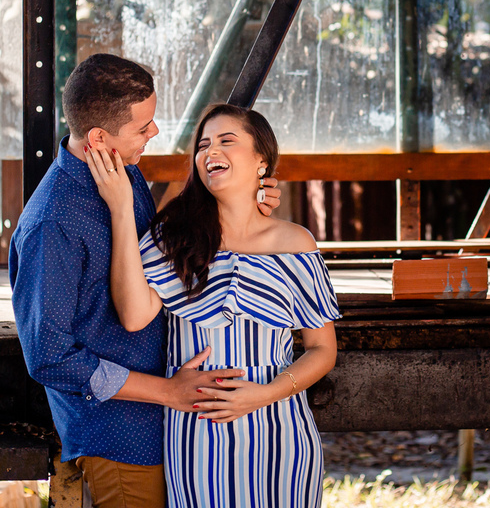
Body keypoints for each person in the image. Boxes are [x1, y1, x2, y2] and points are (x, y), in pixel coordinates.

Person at [9, 55, 281, 508]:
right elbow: (48, 356)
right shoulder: (50, 224)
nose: (153, 133)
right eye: (144, 126)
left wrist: (244, 202)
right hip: (117, 439)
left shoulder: (121, 170)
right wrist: (167, 392)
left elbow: (160, 249)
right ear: (98, 138)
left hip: (164, 424)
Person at [85, 103, 340, 508]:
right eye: (203, 145)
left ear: (261, 160)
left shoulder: (296, 243)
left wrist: (263, 394)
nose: (210, 151)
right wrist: (119, 209)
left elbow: (323, 348)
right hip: (197, 425)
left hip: (281, 428)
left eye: (226, 140)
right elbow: (134, 316)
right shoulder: (173, 237)